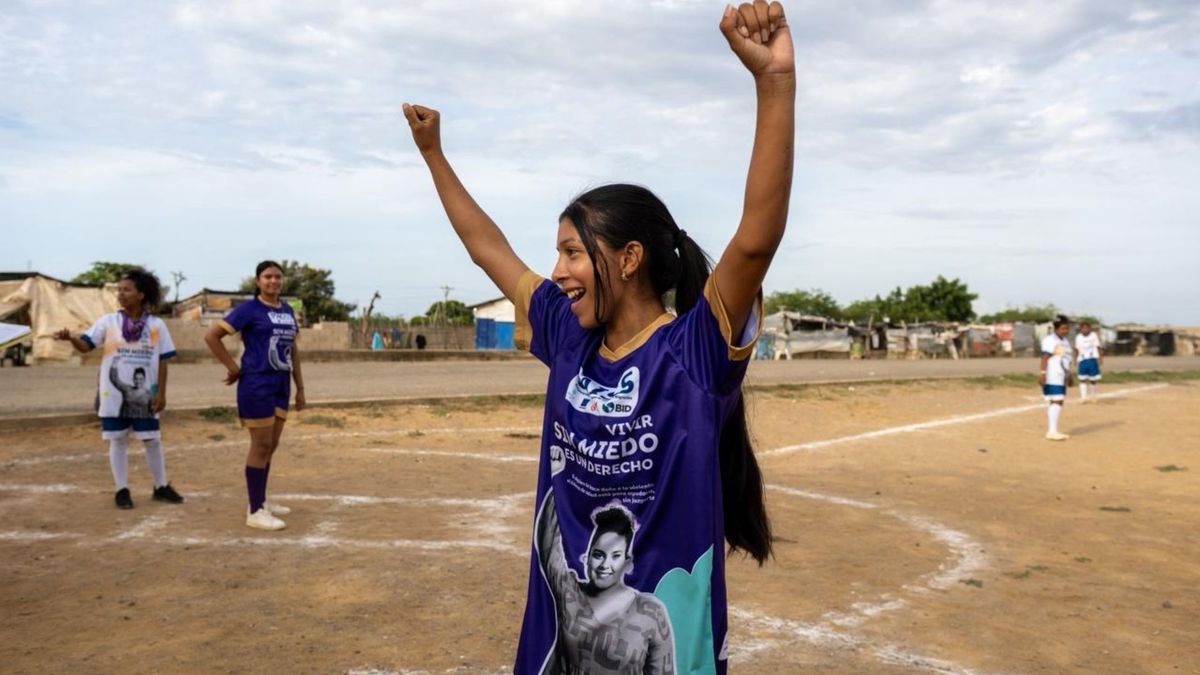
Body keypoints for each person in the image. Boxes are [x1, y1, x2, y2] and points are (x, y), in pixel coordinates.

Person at [402, 3, 792, 670]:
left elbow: (756, 238)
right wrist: (435, 155)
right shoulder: (568, 333)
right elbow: (484, 248)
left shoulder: (692, 353)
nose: (556, 272)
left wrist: (774, 85)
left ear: (629, 258)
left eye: (573, 253)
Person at [54, 268, 184, 509]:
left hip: (146, 394)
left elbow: (163, 361)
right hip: (113, 394)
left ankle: (161, 486)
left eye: (126, 290)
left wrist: (161, 392)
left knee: (152, 439)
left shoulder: (157, 325)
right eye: (119, 290)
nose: (121, 294)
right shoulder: (109, 321)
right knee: (118, 439)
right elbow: (86, 345)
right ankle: (121, 489)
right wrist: (71, 338)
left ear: (141, 295)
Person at [204, 261, 306, 531]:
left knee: (271, 445)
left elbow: (292, 351)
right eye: (267, 276)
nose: (273, 281)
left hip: (280, 385)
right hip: (256, 384)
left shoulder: (286, 310)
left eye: (277, 277)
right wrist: (232, 366)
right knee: (260, 445)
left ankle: (259, 501)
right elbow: (212, 336)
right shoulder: (248, 309)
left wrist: (300, 388)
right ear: (258, 281)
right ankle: (255, 511)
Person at [536, 496, 674, 673]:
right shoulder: (569, 591)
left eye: (615, 556)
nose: (604, 565)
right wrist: (559, 475)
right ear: (587, 558)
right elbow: (549, 539)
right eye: (598, 555)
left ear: (627, 562)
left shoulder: (652, 613)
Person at [1040, 315, 1073, 441]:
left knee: (1057, 401)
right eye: (1063, 328)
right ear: (1056, 329)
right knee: (1057, 401)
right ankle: (1052, 431)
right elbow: (1044, 357)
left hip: (1061, 375)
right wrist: (1043, 373)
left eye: (1067, 328)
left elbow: (1067, 360)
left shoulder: (1065, 342)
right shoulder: (1050, 340)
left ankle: (1052, 430)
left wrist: (1069, 375)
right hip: (1053, 374)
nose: (1065, 331)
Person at [1074, 321, 1103, 402]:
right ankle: (1083, 397)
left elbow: (1098, 347)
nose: (1085, 330)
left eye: (1087, 328)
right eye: (1083, 328)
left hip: (1092, 359)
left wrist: (1100, 358)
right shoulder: (1078, 337)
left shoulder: (1093, 336)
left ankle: (1093, 396)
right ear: (1080, 329)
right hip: (1082, 360)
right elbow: (1076, 349)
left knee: (1093, 379)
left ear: (1090, 328)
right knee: (1082, 379)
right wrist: (1075, 359)